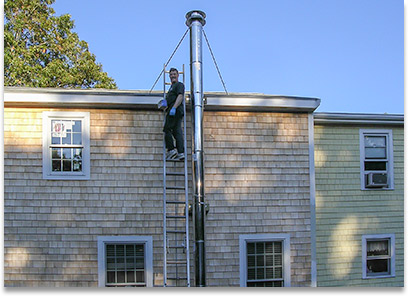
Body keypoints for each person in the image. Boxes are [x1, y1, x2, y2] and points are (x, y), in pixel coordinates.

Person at [163, 68, 185, 161]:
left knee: (167, 129)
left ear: (178, 75)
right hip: (173, 109)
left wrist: (174, 108)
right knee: (177, 132)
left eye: (174, 74)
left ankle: (171, 150)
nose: (172, 76)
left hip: (175, 110)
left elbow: (180, 96)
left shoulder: (179, 85)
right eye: (171, 74)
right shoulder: (171, 88)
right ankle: (180, 152)